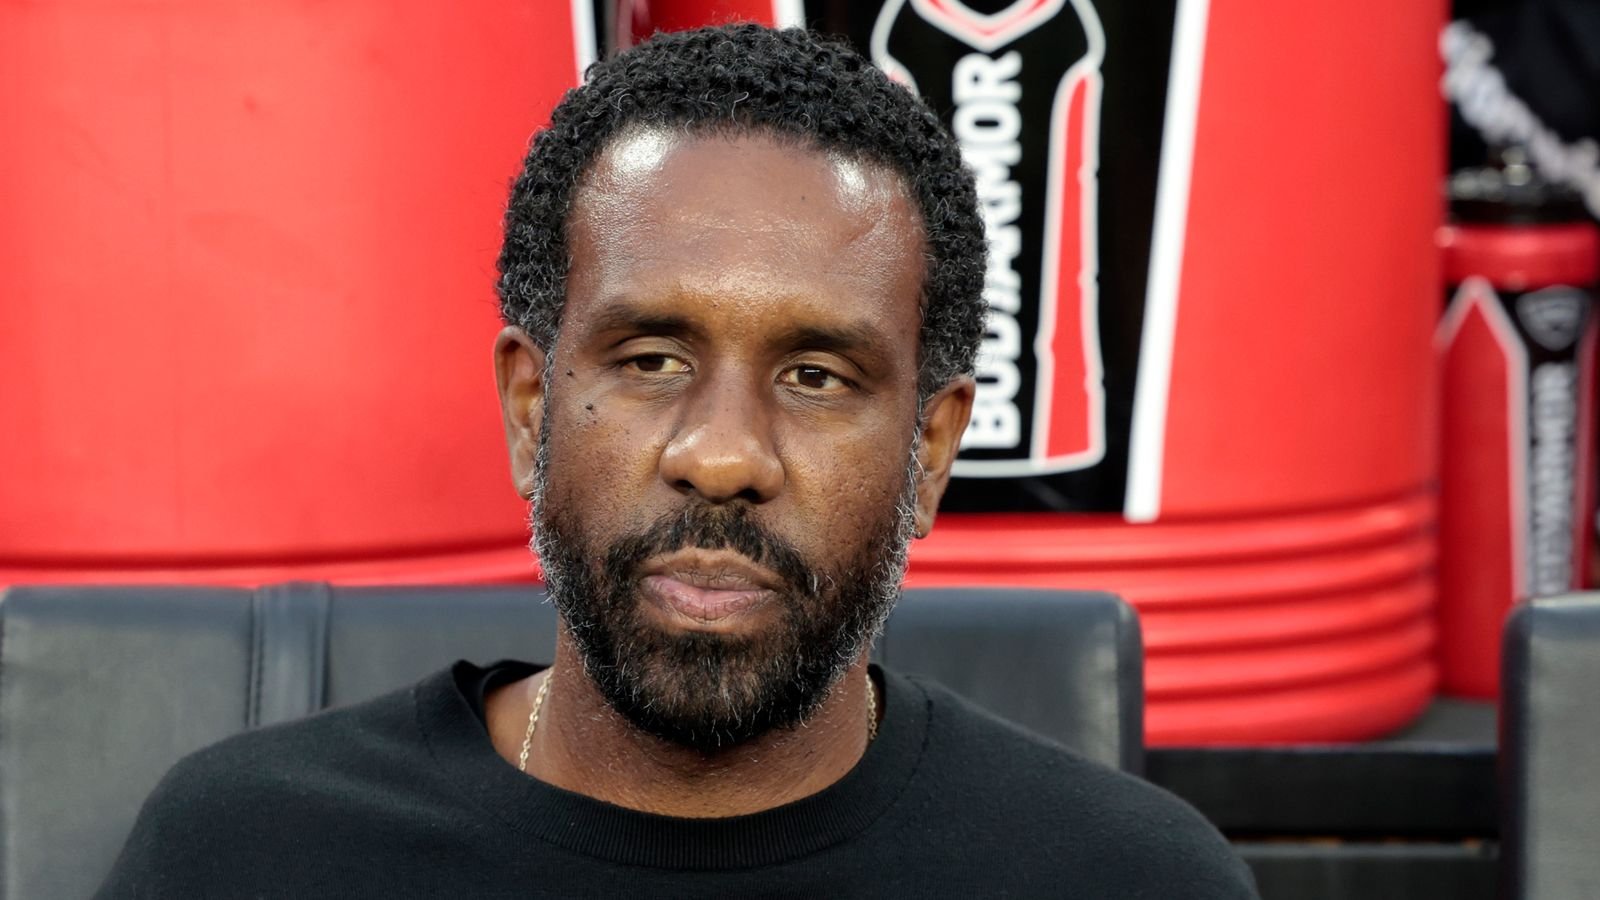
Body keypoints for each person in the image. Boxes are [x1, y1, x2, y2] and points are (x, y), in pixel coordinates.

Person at [97, 24, 1258, 899]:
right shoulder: (246, 853)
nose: (721, 455)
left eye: (816, 375)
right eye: (651, 358)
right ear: (530, 408)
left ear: (930, 454)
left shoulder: (1130, 882)